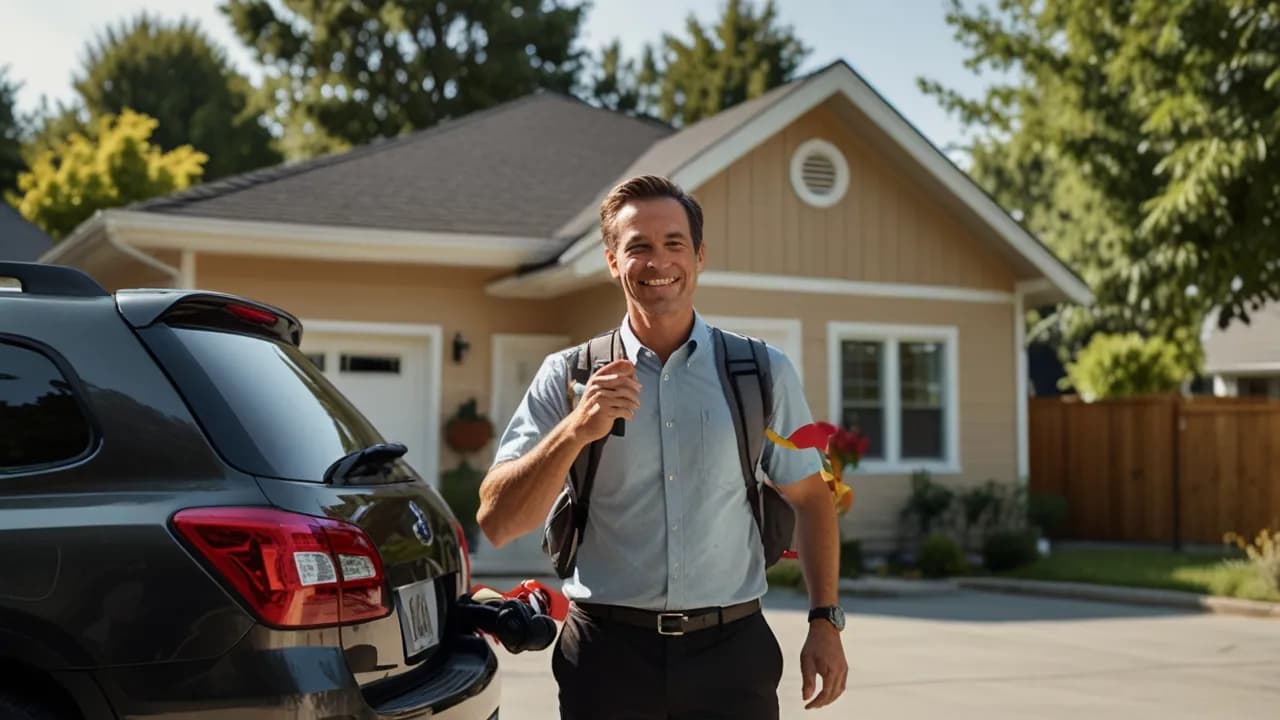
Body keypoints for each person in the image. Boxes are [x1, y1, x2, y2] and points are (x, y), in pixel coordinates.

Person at [477, 174, 848, 718]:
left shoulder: (761, 373)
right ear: (612, 261)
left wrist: (825, 620)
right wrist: (576, 429)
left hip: (733, 655)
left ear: (699, 256)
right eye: (638, 247)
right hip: (607, 656)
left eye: (674, 243)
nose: (658, 262)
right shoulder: (569, 375)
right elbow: (498, 521)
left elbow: (812, 499)